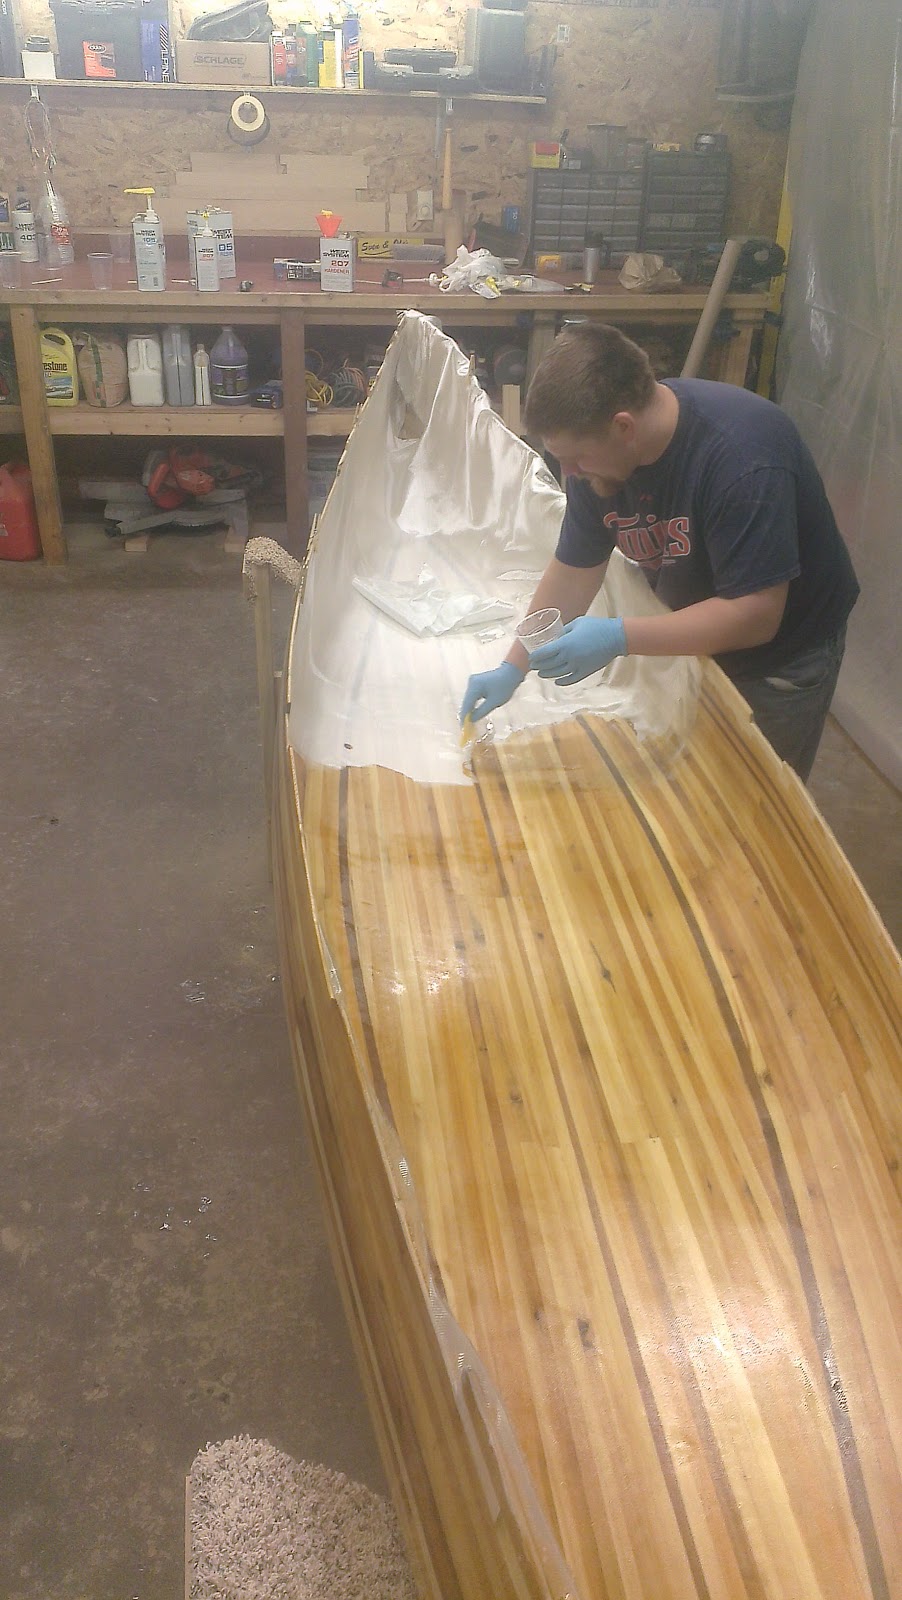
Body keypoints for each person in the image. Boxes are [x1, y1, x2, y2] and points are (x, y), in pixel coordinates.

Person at [459, 322, 859, 781]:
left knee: (759, 804)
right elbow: (574, 570)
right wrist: (515, 664)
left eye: (574, 459)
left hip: (783, 655)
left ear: (623, 427)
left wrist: (618, 637)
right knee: (699, 783)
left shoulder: (744, 460)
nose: (568, 472)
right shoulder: (598, 459)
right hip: (702, 628)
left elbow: (756, 614)